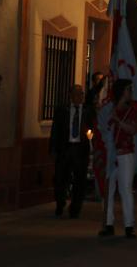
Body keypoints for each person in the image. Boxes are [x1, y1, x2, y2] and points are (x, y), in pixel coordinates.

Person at [99, 79, 137, 239]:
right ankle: (108, 224)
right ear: (122, 91)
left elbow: (133, 129)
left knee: (125, 190)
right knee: (108, 191)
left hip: (125, 155)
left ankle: (129, 226)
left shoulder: (133, 110)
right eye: (129, 89)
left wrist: (117, 121)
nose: (131, 92)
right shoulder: (109, 109)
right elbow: (102, 128)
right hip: (110, 155)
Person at [49, 85, 92, 219]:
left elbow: (93, 127)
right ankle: (60, 203)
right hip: (65, 148)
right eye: (76, 94)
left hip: (81, 149)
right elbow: (55, 130)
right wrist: (53, 149)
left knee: (80, 180)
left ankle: (75, 208)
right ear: (71, 96)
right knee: (60, 178)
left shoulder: (87, 111)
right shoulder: (62, 111)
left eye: (81, 94)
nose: (79, 97)